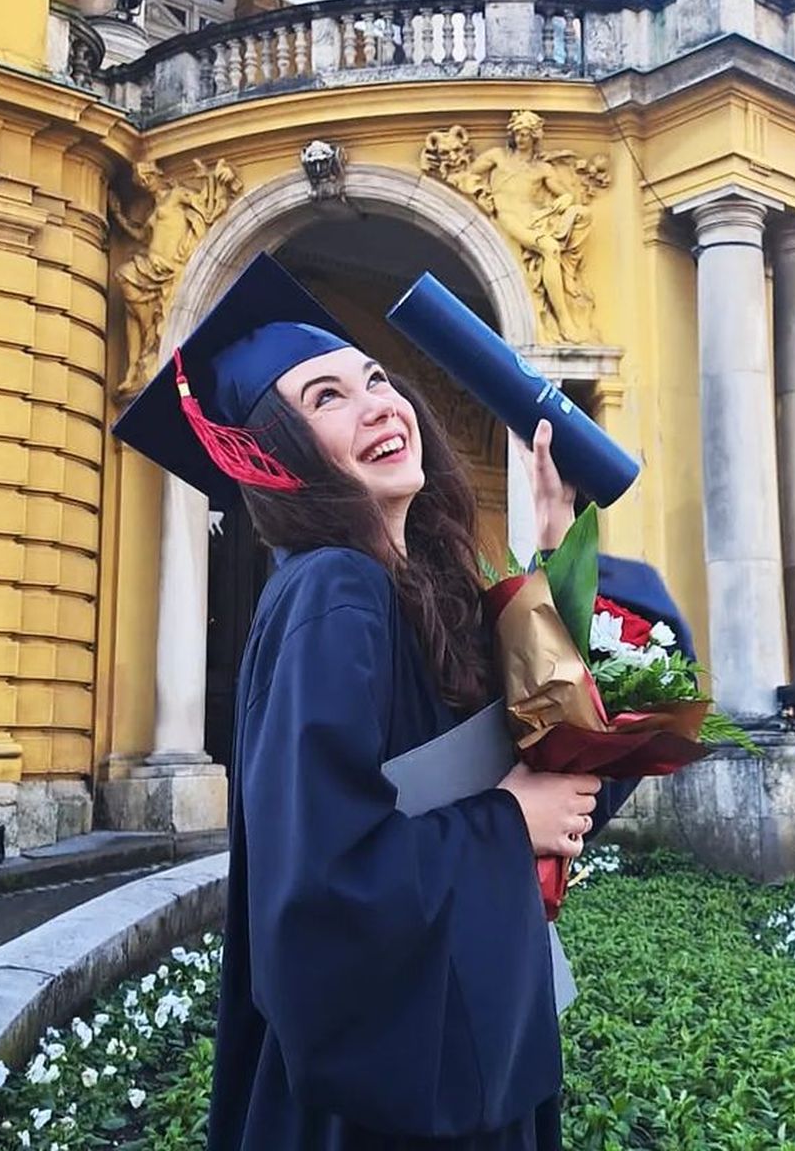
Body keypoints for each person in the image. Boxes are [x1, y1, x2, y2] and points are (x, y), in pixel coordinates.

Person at [113, 252, 649, 1150]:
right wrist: (509, 821)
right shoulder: (334, 592)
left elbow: (571, 775)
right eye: (325, 398)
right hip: (394, 1099)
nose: (378, 405)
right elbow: (321, 886)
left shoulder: (421, 588)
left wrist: (559, 562)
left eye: (375, 379)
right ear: (274, 454)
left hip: (464, 1039)